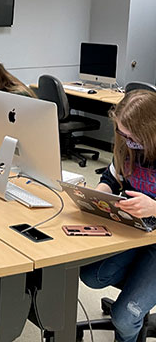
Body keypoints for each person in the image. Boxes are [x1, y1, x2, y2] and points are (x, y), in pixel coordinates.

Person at [80, 89, 156, 342]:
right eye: (122, 134)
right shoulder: (128, 146)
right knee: (90, 275)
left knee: (124, 316)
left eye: (131, 136)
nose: (126, 140)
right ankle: (141, 289)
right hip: (135, 232)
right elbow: (111, 179)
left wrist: (154, 207)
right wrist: (100, 194)